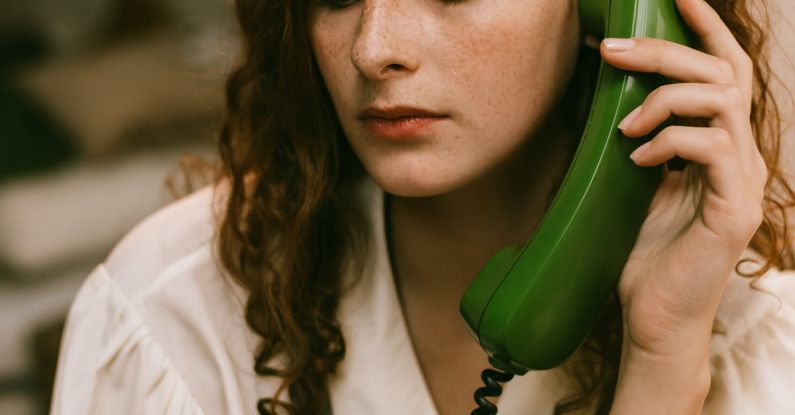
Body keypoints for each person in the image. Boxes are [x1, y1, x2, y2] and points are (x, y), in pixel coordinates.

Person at [51, 0, 795, 413]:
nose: (373, 49)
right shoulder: (168, 311)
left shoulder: (760, 338)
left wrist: (661, 360)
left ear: (618, 15)